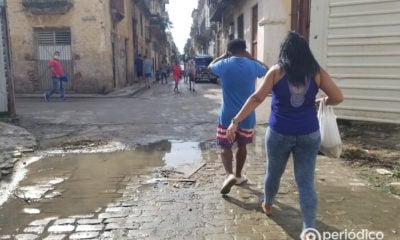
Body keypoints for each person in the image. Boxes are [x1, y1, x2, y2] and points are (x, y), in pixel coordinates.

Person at [226, 31, 344, 230]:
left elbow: (256, 98)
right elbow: (338, 97)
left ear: (284, 51)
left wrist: (235, 121)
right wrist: (321, 102)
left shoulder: (276, 71)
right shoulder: (316, 72)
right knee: (305, 182)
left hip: (279, 132)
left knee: (274, 172)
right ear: (306, 52)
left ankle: (268, 204)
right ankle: (308, 229)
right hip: (309, 134)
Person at [208, 39, 268, 195]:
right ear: (245, 50)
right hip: (247, 116)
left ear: (229, 51)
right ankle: (239, 175)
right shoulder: (253, 65)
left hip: (227, 116)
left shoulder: (224, 64)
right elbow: (267, 70)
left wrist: (222, 56)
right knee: (242, 146)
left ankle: (229, 175)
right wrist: (252, 58)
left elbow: (209, 67)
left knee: (225, 146)